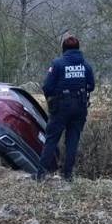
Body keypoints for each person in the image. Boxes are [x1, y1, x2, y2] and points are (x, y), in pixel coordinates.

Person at [37, 35, 94, 181]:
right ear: (78, 48)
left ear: (64, 49)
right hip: (80, 106)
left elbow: (47, 87)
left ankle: (41, 175)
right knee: (72, 140)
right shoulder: (86, 65)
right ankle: (68, 175)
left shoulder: (58, 64)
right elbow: (91, 86)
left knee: (51, 139)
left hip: (61, 107)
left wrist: (53, 97)